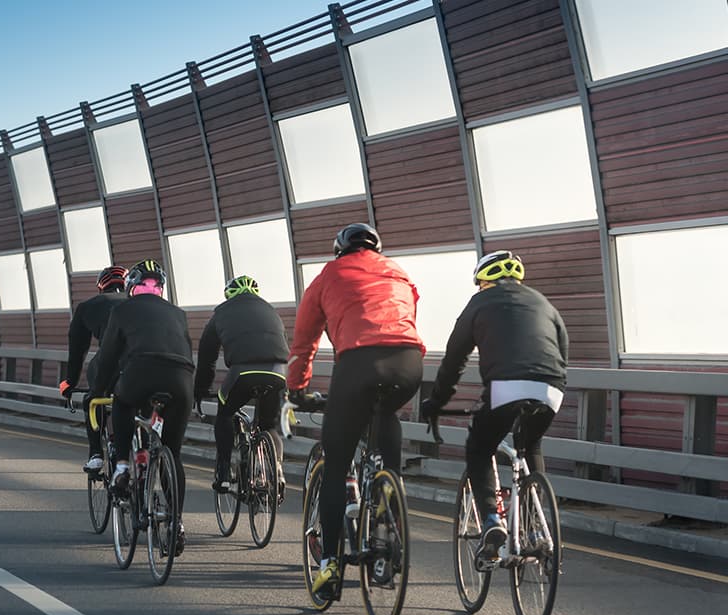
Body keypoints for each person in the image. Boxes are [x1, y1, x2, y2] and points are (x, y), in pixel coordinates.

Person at [286, 223, 425, 594]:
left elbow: (304, 342)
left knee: (335, 466)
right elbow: (407, 314)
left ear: (338, 251)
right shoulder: (398, 271)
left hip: (358, 362)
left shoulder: (328, 275)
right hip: (409, 362)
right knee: (385, 417)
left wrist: (297, 387)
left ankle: (329, 566)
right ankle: (387, 514)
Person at [420, 250, 568, 558]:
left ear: (483, 281)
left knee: (479, 448)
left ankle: (491, 520)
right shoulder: (543, 302)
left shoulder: (479, 304)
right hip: (552, 388)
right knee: (531, 444)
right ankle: (535, 525)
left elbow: (454, 360)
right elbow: (562, 348)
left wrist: (436, 401)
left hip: (505, 387)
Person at [91, 259, 194, 555]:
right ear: (160, 290)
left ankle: (123, 464)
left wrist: (98, 390)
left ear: (132, 288)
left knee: (123, 403)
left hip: (141, 372)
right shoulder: (178, 313)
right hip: (181, 379)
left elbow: (108, 356)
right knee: (172, 453)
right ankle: (176, 523)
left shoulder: (122, 310)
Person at [193, 275, 290, 497]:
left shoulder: (221, 313)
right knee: (269, 425)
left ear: (229, 295)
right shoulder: (271, 311)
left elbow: (207, 358)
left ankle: (224, 473)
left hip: (243, 373)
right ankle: (277, 470)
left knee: (225, 413)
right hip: (278, 373)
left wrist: (200, 390)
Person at [58, 265, 128, 473]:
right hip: (148, 363)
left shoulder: (88, 306)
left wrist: (69, 382)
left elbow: (78, 349)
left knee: (93, 398)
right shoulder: (141, 302)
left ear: (101, 287)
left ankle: (96, 454)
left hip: (112, 363)